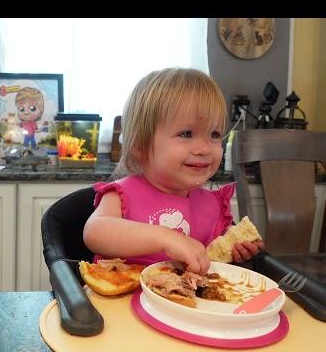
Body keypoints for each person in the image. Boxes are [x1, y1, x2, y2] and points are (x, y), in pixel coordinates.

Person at [83, 68, 264, 274]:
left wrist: (237, 251)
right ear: (141, 146)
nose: (204, 148)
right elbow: (94, 232)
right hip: (120, 301)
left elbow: (211, 262)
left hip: (187, 303)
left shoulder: (213, 206)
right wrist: (165, 238)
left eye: (214, 134)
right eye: (186, 134)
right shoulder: (122, 196)